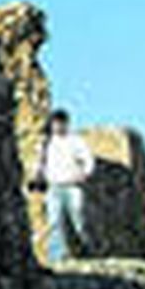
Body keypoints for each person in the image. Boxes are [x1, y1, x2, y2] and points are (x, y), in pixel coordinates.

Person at [39, 109, 94, 261]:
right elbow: (41, 163)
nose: (57, 126)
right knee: (54, 222)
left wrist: (84, 174)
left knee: (78, 221)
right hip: (54, 186)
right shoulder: (47, 143)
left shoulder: (75, 141)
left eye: (60, 123)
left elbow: (88, 160)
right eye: (55, 123)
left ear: (66, 124)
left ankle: (83, 252)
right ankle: (57, 255)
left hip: (73, 186)